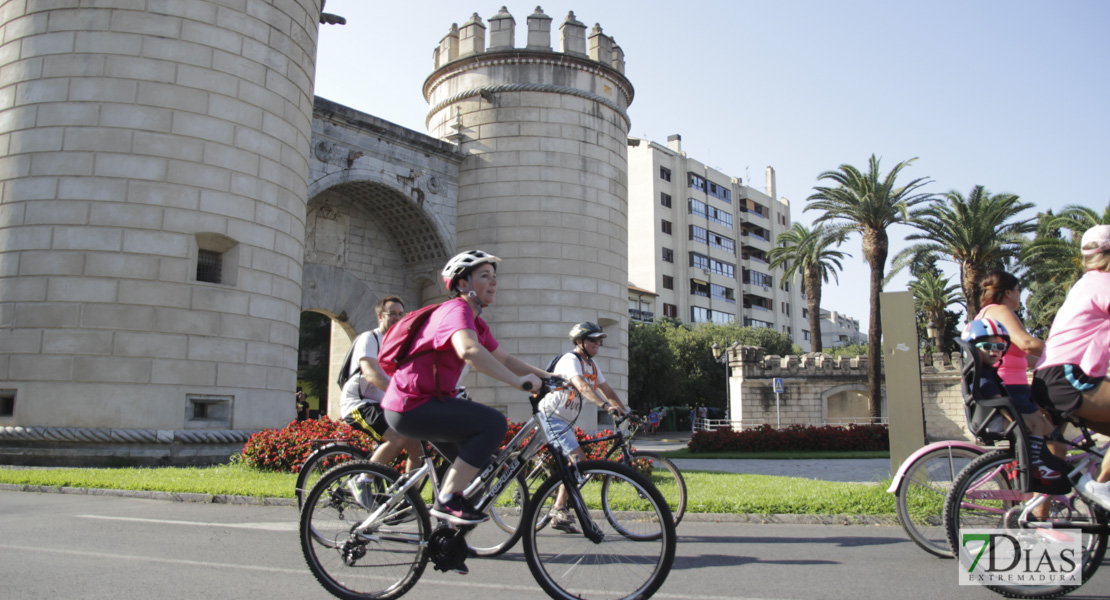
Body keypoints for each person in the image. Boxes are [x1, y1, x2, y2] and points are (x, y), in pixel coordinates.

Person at [381, 250, 547, 529]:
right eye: (484, 276)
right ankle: (445, 499)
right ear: (462, 283)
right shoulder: (455, 311)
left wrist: (550, 376)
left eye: (494, 277)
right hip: (411, 405)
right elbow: (469, 350)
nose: (493, 282)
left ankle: (448, 545)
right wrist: (518, 382)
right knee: (493, 423)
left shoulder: (475, 320)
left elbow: (503, 358)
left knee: (479, 475)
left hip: (427, 403)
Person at [1033, 224, 1110, 509]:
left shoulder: (1086, 283)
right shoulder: (1105, 282)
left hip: (1050, 378)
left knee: (1056, 451)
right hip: (1068, 377)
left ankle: (1038, 521)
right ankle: (1102, 489)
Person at [539, 321, 629, 533]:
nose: (597, 343)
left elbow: (608, 391)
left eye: (599, 340)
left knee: (577, 465)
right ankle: (559, 509)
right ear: (579, 342)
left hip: (566, 421)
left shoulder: (592, 365)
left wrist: (625, 411)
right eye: (592, 339)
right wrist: (605, 406)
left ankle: (560, 506)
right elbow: (581, 385)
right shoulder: (571, 360)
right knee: (578, 460)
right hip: (551, 416)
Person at [340, 295, 423, 504]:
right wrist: (401, 395)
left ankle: (408, 498)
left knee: (418, 448)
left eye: (400, 314)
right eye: (392, 314)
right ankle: (361, 480)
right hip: (359, 404)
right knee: (397, 437)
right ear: (380, 317)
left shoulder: (401, 345)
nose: (397, 318)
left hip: (383, 405)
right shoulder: (370, 338)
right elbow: (371, 373)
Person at [972, 272, 1054, 437]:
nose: (1020, 295)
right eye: (1018, 289)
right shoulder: (1000, 311)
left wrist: (1052, 360)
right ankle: (1035, 462)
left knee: (1051, 429)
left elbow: (1022, 357)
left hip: (1014, 386)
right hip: (1011, 387)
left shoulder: (989, 313)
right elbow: (1027, 344)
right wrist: (1066, 351)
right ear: (1008, 293)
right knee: (1049, 435)